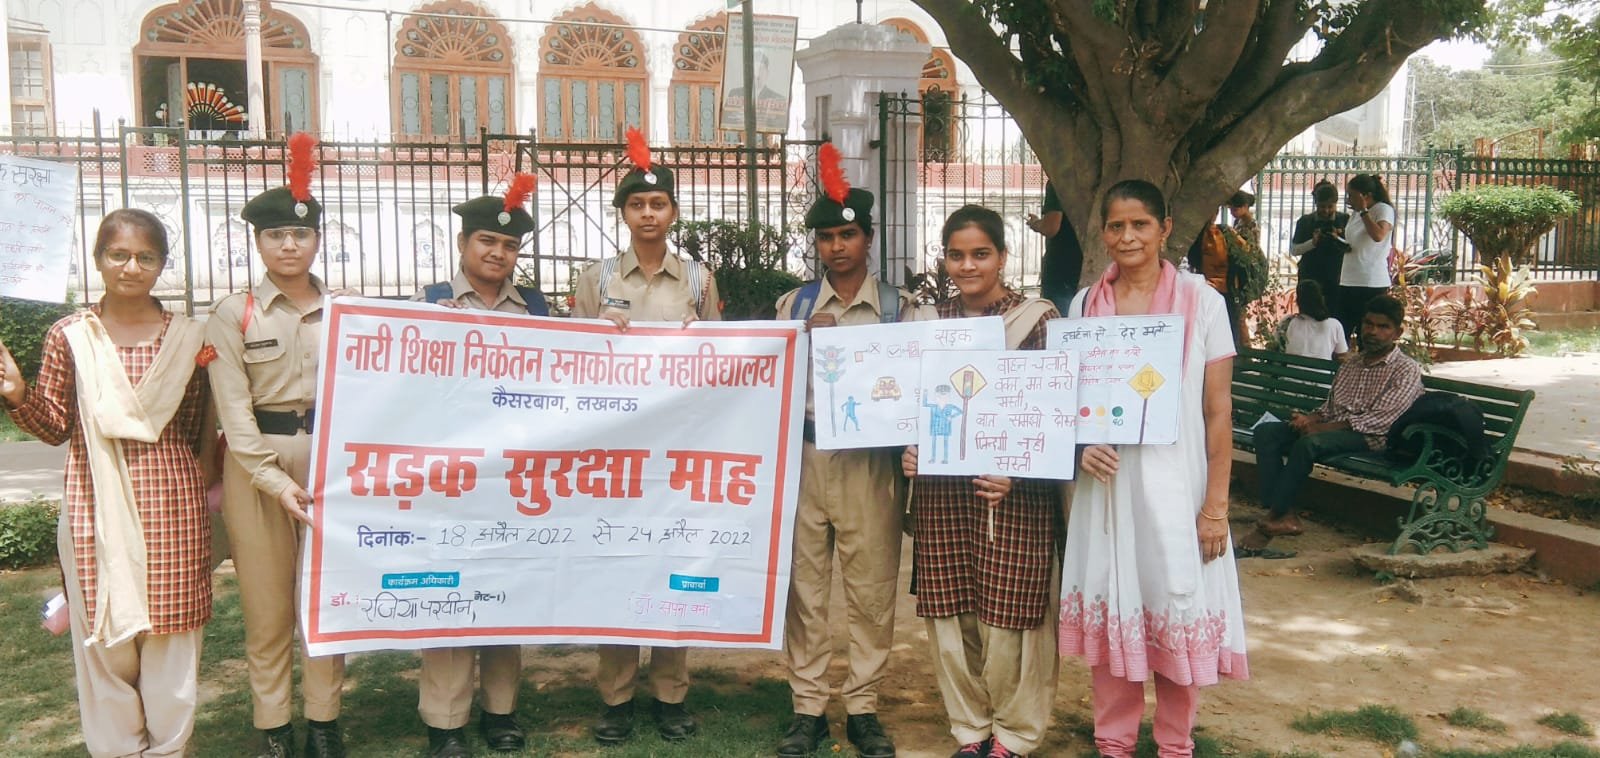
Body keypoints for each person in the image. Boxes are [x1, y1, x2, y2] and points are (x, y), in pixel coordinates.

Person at [0, 209, 216, 758]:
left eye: (146, 257)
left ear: (162, 264)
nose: (131, 267)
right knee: (105, 637)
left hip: (171, 504)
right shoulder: (71, 336)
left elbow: (193, 429)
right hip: (92, 504)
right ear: (98, 259)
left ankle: (169, 749)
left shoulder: (188, 338)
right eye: (118, 255)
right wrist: (18, 395)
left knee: (171, 634)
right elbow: (56, 427)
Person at [1058, 179, 1249, 758]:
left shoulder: (1202, 301)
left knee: (1176, 603)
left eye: (1140, 224)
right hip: (1107, 491)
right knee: (1113, 598)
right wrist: (1080, 446)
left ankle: (1174, 744)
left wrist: (1216, 507)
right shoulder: (1085, 305)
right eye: (1116, 225)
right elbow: (1067, 401)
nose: (1128, 236)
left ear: (1165, 229)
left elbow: (1219, 411)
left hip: (1177, 487)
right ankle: (1113, 743)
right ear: (1103, 233)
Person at [772, 150, 928, 758]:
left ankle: (863, 706)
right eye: (826, 238)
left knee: (871, 589)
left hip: (871, 464)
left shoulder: (899, 309)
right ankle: (807, 707)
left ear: (868, 238)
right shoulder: (794, 306)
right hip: (807, 459)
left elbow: (920, 387)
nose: (837, 247)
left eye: (848, 235)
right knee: (804, 590)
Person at [571, 127, 719, 746]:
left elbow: (721, 362)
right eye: (637, 204)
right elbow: (569, 361)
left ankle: (671, 694)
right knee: (619, 565)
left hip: (679, 450)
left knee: (674, 564)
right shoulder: (596, 277)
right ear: (624, 214)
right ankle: (616, 696)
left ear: (674, 212)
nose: (649, 213)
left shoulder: (699, 280)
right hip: (616, 453)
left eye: (659, 203)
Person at [205, 133, 348, 758]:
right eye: (275, 235)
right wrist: (273, 480)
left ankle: (324, 723)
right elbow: (233, 412)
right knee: (267, 608)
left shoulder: (346, 310)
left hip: (329, 467)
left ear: (317, 240)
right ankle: (274, 727)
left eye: (300, 234)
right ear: (258, 243)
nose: (289, 245)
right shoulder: (234, 313)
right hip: (258, 466)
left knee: (324, 600)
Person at [901, 204, 1061, 758]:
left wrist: (1016, 470)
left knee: (1011, 611)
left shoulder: (1035, 320)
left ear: (1002, 257)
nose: (967, 266)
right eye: (956, 255)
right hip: (942, 493)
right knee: (950, 610)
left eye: (980, 254)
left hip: (1011, 494)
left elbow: (1051, 411)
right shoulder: (927, 323)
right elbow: (905, 403)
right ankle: (970, 728)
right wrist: (910, 448)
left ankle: (1014, 733)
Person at [409, 177, 547, 758]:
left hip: (511, 474)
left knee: (503, 588)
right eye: (487, 241)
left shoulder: (537, 308)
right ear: (464, 243)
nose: (498, 253)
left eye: (509, 246)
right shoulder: (430, 302)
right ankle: (446, 721)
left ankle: (501, 711)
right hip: (451, 473)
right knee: (449, 589)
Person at [1242, 294, 1423, 544]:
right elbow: (1330, 407)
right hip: (1334, 431)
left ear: (1397, 332)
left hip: (1372, 439)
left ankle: (1277, 512)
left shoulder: (1405, 369)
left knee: (1309, 443)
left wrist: (1320, 429)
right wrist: (1309, 419)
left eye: (1383, 327)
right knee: (1267, 432)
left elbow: (1383, 420)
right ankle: (1283, 512)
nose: (1373, 332)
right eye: (1369, 324)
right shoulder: (1352, 364)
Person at [1337, 174, 1396, 340]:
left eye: (1352, 196)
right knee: (1342, 333)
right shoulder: (1355, 214)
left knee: (1368, 333)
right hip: (1349, 279)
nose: (1348, 200)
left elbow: (1378, 235)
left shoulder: (1382, 209)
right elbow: (1355, 242)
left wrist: (1364, 211)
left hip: (1370, 282)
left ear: (1366, 196)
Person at [1288, 180, 1350, 323]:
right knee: (1309, 315)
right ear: (1316, 204)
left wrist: (1338, 238)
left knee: (1335, 315)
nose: (1326, 211)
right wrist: (1313, 243)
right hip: (1310, 274)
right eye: (1322, 207)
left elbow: (1351, 247)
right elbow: (1295, 250)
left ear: (1336, 204)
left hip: (1337, 275)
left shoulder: (1345, 220)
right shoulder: (1305, 221)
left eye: (1330, 207)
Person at [1027, 180, 1084, 313]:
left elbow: (1051, 227)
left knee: (1061, 322)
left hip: (1062, 268)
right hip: (1088, 264)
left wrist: (1036, 224)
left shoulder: (1061, 181)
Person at [1278, 280, 1348, 360]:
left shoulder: (1287, 322)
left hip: (1290, 368)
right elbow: (1342, 356)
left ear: (1298, 301)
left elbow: (1275, 346)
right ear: (1321, 299)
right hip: (1322, 368)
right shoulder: (1334, 325)